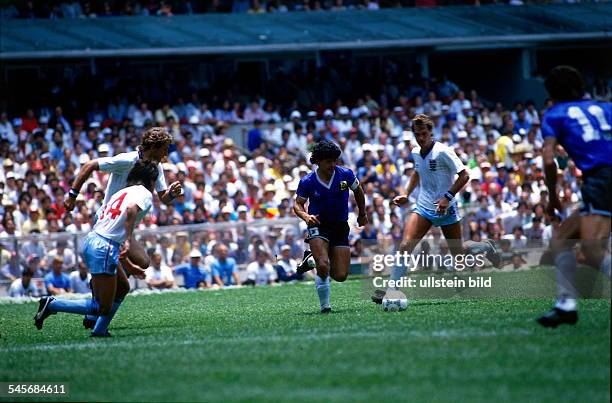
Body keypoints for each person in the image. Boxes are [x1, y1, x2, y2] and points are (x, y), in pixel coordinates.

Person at [371, 114, 500, 304]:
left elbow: (465, 175)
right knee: (406, 246)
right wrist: (407, 193)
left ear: (431, 132)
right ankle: (391, 290)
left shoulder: (443, 152)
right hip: (424, 206)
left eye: (424, 133)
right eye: (417, 135)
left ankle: (485, 247)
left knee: (459, 255)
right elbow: (417, 172)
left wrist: (447, 198)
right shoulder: (416, 152)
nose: (421, 138)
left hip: (446, 209)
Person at [63, 127, 183, 328]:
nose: (167, 153)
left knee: (143, 262)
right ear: (154, 146)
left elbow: (163, 198)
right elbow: (90, 165)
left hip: (127, 223)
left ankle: (106, 285)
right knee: (123, 281)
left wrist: (171, 193)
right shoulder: (127, 160)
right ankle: (97, 303)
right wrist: (72, 195)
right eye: (164, 148)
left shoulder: (156, 166)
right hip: (108, 222)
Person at [34, 161, 158, 337]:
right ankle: (53, 304)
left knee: (122, 288)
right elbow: (131, 211)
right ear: (151, 181)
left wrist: (127, 261)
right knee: (102, 306)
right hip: (105, 247)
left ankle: (100, 330)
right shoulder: (144, 193)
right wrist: (128, 240)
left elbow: (103, 219)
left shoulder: (120, 193)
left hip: (95, 240)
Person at [536, 65, 612, 327]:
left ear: (551, 94)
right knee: (561, 239)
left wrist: (553, 196)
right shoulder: (606, 107)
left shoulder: (554, 115)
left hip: (602, 178)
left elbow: (548, 161)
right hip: (602, 178)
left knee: (592, 250)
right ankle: (566, 305)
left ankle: (567, 305)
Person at [294, 140, 368, 313]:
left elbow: (358, 190)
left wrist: (362, 214)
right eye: (328, 161)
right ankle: (325, 307)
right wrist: (305, 216)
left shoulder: (346, 175)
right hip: (318, 226)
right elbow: (297, 204)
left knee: (340, 275)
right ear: (318, 161)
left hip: (340, 226)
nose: (332, 164)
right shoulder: (308, 181)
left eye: (335, 160)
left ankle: (311, 259)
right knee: (323, 264)